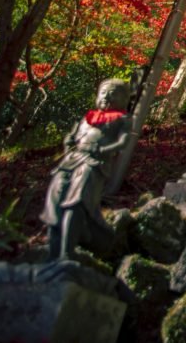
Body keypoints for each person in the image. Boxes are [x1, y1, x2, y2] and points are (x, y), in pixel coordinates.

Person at [41, 79, 132, 260]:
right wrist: (68, 144)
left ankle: (67, 253)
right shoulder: (87, 118)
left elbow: (123, 142)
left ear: (124, 99)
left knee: (77, 202)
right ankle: (52, 250)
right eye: (103, 92)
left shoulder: (123, 119)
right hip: (71, 160)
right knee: (55, 201)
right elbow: (73, 137)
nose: (107, 96)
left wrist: (103, 150)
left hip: (93, 163)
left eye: (113, 93)